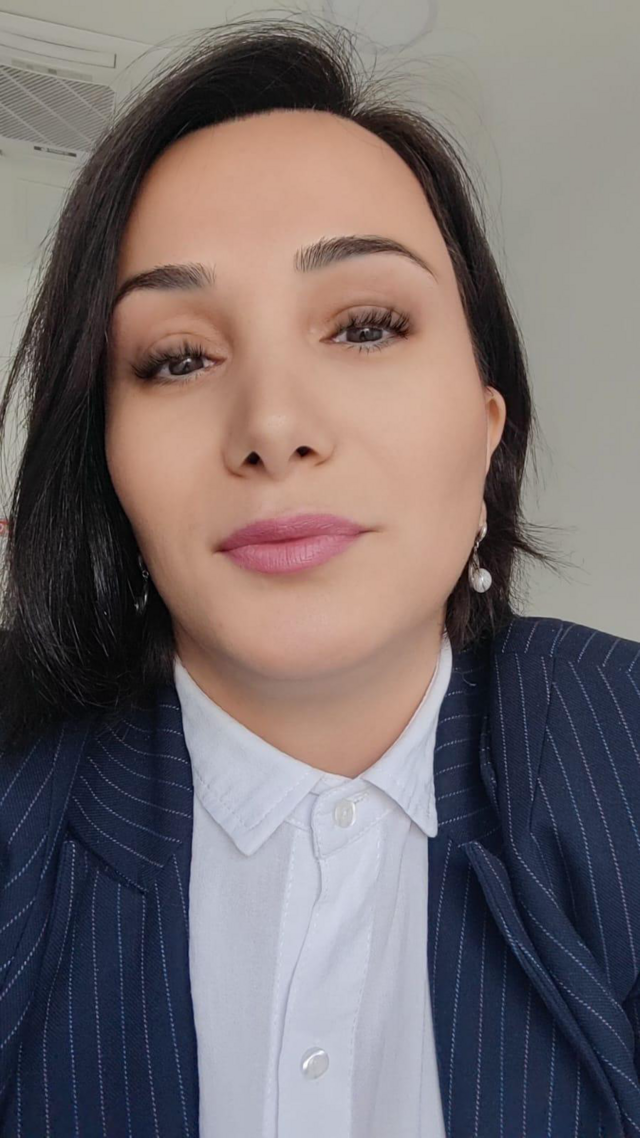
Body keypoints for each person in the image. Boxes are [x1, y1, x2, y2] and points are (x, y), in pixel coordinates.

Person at [0, 16, 638, 1138]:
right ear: (106, 464)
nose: (273, 426)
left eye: (365, 326)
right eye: (178, 358)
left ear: (486, 426)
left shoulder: (616, 748)